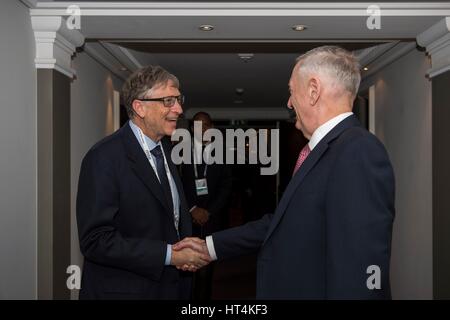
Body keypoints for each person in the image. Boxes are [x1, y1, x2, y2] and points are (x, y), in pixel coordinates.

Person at [174, 46, 395, 299]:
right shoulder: (324, 151)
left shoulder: (358, 151)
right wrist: (208, 247)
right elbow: (280, 222)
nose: (289, 102)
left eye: (292, 91)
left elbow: (362, 267)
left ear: (313, 91)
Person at [76, 65, 210, 300]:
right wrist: (171, 255)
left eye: (178, 100)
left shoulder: (165, 150)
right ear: (140, 107)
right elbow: (95, 241)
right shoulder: (104, 157)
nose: (179, 109)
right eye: (168, 101)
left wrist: (183, 245)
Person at [180, 111, 232, 300]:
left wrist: (209, 211)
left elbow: (227, 186)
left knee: (206, 268)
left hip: (212, 219)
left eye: (205, 125)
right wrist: (192, 209)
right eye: (197, 125)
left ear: (211, 127)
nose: (201, 129)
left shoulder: (222, 151)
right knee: (186, 268)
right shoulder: (182, 150)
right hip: (188, 219)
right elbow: (178, 184)